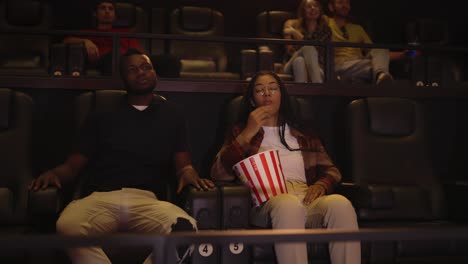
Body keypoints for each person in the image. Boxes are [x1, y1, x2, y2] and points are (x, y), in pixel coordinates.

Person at [29, 49, 214, 264]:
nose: (141, 73)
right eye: (132, 69)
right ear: (123, 78)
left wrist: (189, 173)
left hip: (147, 200)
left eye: (146, 67)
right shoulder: (102, 115)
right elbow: (72, 167)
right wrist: (53, 174)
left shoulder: (173, 114)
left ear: (154, 72)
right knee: (68, 225)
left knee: (186, 229)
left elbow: (184, 166)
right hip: (101, 198)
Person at [210, 71, 360, 264]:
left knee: (340, 204)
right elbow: (218, 172)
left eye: (273, 88)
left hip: (305, 196)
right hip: (267, 202)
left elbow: (332, 170)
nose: (267, 94)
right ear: (253, 100)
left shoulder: (302, 133)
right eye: (259, 90)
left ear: (281, 95)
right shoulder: (241, 131)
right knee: (288, 204)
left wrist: (321, 185)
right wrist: (248, 132)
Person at [63, 0, 180, 77]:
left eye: (111, 9)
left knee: (170, 60)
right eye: (103, 8)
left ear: (115, 16)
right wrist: (85, 41)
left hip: (129, 61)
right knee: (114, 56)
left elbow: (137, 52)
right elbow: (66, 40)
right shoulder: (87, 33)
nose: (107, 11)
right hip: (105, 61)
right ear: (95, 13)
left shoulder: (125, 32)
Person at [325, 0, 393, 85]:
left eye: (347, 3)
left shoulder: (357, 28)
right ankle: (381, 74)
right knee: (379, 66)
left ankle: (380, 74)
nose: (345, 6)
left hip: (359, 63)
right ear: (331, 7)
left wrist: (404, 54)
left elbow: (375, 53)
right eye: (340, 2)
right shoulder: (325, 22)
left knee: (380, 50)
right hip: (338, 64)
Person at [282, 0, 331, 83]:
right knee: (307, 49)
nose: (313, 9)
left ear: (320, 10)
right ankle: (318, 87)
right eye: (308, 7)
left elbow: (321, 53)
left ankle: (300, 96)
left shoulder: (325, 30)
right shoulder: (293, 25)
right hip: (290, 65)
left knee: (300, 61)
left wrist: (296, 33)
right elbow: (290, 51)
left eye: (315, 6)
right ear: (302, 11)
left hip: (318, 67)